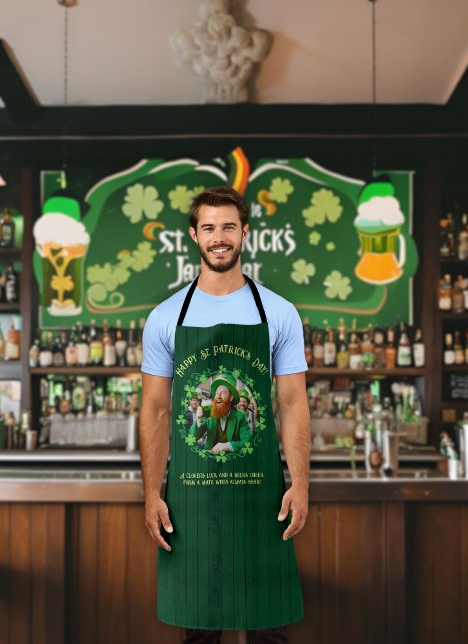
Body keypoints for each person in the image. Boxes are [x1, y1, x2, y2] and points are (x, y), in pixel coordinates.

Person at [139, 186, 310, 644]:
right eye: (209, 228)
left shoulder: (279, 312)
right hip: (190, 501)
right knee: (198, 630)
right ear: (195, 236)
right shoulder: (164, 317)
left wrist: (300, 483)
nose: (220, 237)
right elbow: (155, 410)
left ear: (244, 233)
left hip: (263, 499)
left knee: (270, 629)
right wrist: (151, 493)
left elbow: (293, 402)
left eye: (229, 227)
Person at [188, 376, 252, 453]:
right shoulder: (210, 412)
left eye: (223, 393)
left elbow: (248, 442)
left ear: (231, 397)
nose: (218, 396)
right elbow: (192, 437)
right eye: (217, 393)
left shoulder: (240, 416)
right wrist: (199, 420)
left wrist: (229, 446)